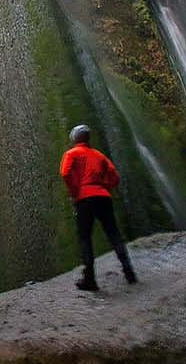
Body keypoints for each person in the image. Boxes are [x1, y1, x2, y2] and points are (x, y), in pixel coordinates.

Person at [59, 124, 138, 291]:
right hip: (103, 197)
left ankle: (90, 279)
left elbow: (65, 173)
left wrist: (75, 192)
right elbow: (114, 176)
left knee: (85, 237)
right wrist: (104, 187)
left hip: (84, 199)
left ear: (74, 138)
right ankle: (129, 271)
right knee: (113, 233)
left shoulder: (71, 154)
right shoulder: (99, 155)